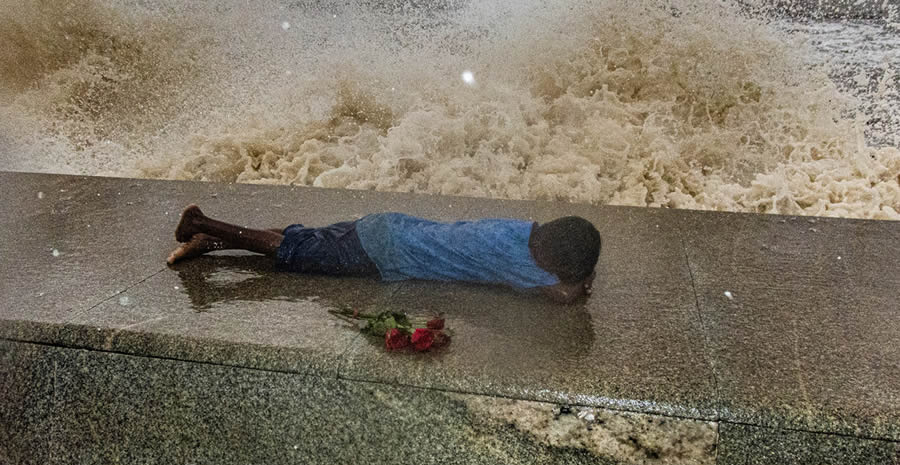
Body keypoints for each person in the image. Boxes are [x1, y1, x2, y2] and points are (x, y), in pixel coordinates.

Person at [168, 205, 600, 304]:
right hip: (379, 253)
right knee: (296, 250)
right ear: (546, 258)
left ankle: (214, 242)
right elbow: (564, 296)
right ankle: (204, 224)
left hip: (389, 225)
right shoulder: (522, 265)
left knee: (309, 237)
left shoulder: (521, 230)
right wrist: (577, 282)